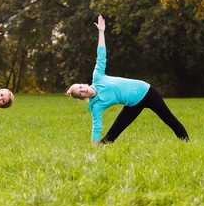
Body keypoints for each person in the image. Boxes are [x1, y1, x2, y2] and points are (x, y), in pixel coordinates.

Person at [66, 15, 189, 146]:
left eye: (80, 87)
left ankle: (186, 142)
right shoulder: (96, 106)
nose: (82, 91)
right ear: (81, 98)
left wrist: (101, 32)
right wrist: (93, 145)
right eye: (80, 94)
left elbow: (101, 55)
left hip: (146, 91)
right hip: (133, 104)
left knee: (168, 119)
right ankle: (99, 149)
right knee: (115, 130)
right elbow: (97, 127)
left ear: (83, 84)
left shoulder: (98, 77)